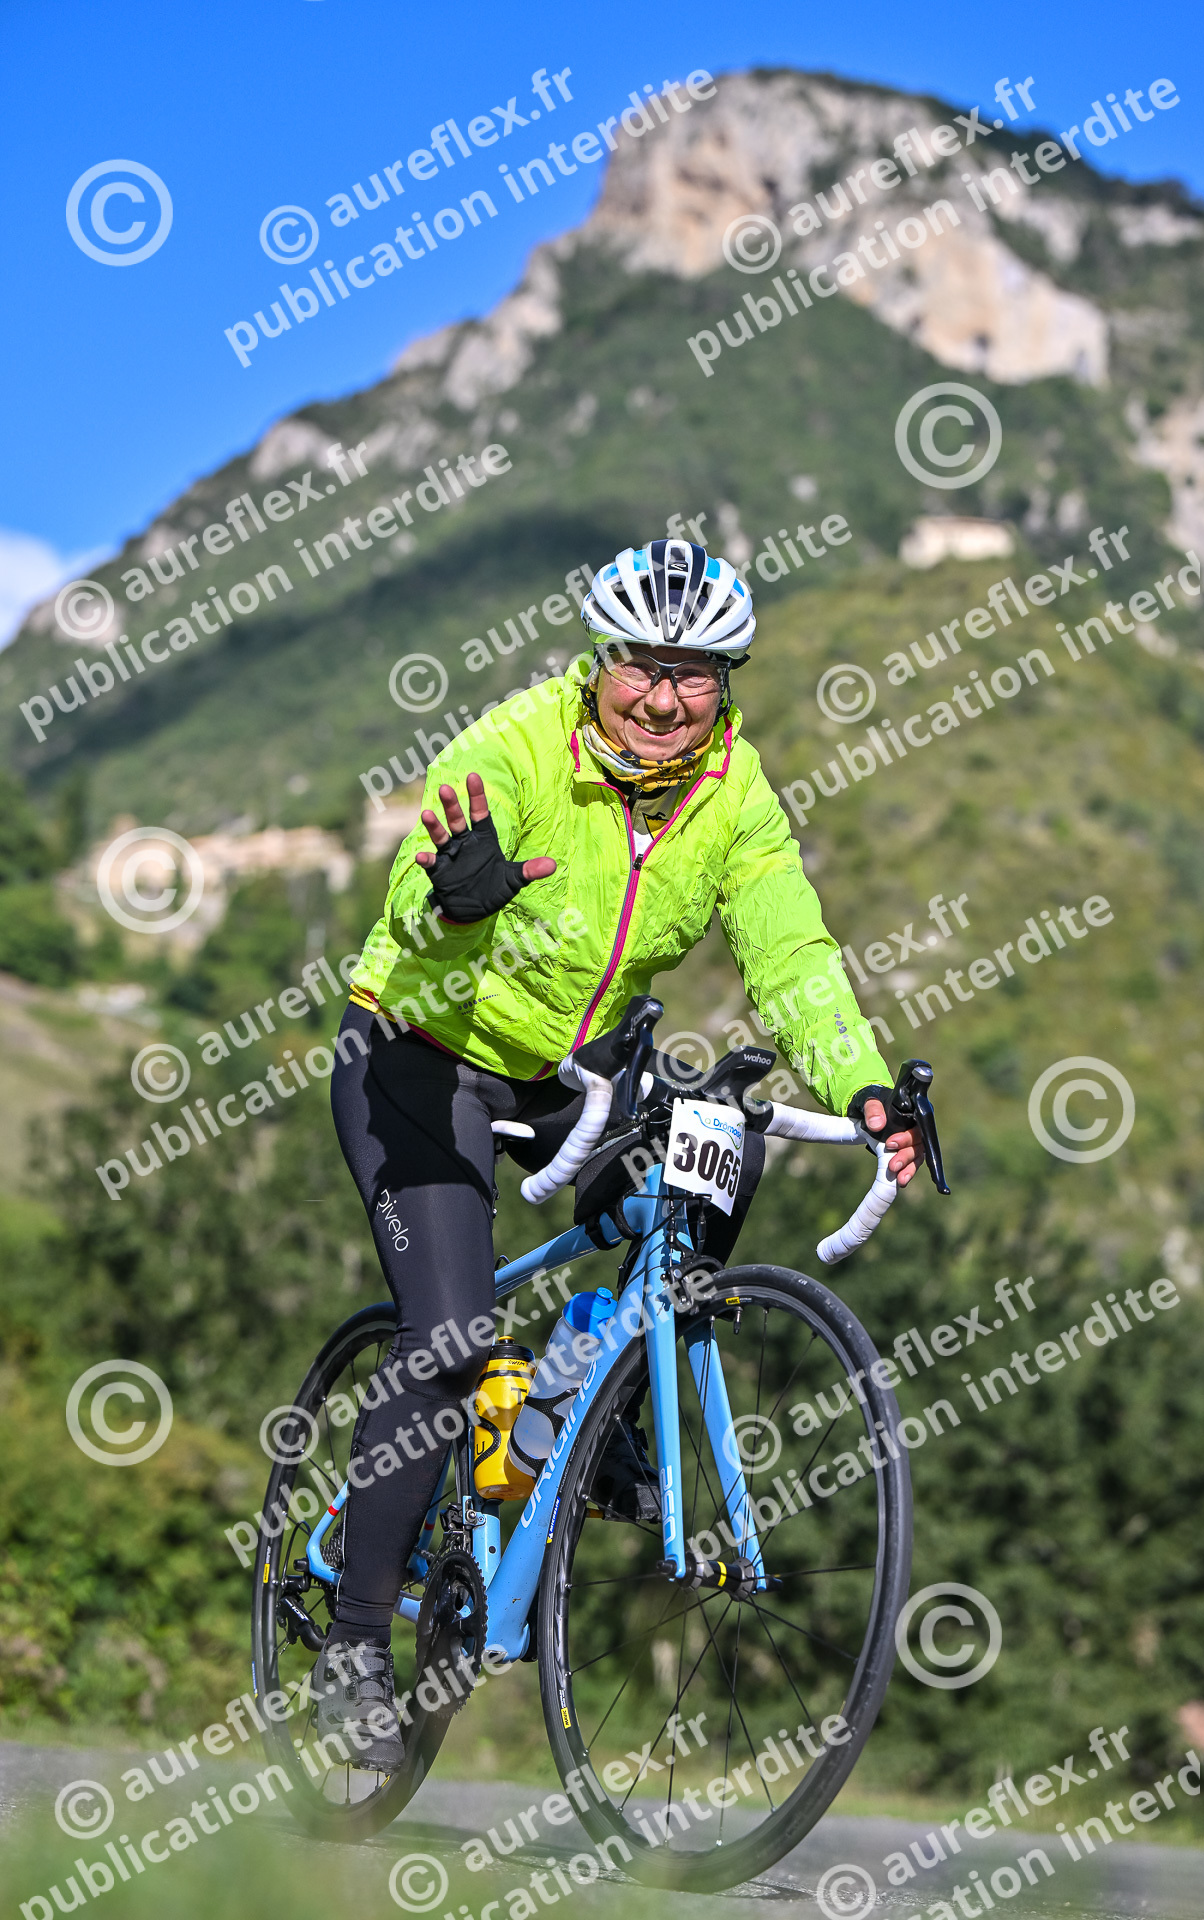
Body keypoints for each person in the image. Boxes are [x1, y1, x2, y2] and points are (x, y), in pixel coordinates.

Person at [313, 538, 922, 1767]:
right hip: (419, 1058)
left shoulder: (733, 796)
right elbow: (414, 897)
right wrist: (456, 897)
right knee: (447, 1339)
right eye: (641, 665)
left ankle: (590, 1402)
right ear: (598, 662)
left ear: (723, 683)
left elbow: (791, 957)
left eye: (692, 674)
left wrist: (861, 1087)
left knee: (717, 1151)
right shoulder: (518, 746)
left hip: (570, 1080)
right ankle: (354, 1640)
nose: (661, 697)